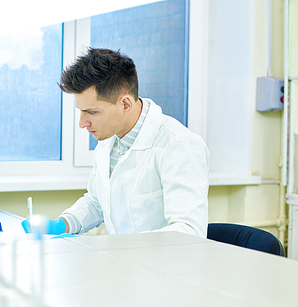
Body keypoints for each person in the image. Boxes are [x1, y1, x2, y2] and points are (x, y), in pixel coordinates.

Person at [22, 47, 209, 238]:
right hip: (120, 262)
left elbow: (189, 231)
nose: (82, 123)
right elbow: (97, 202)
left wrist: (113, 247)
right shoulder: (110, 136)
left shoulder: (179, 144)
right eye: (81, 111)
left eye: (92, 112)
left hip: (162, 266)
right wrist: (63, 224)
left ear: (125, 104)